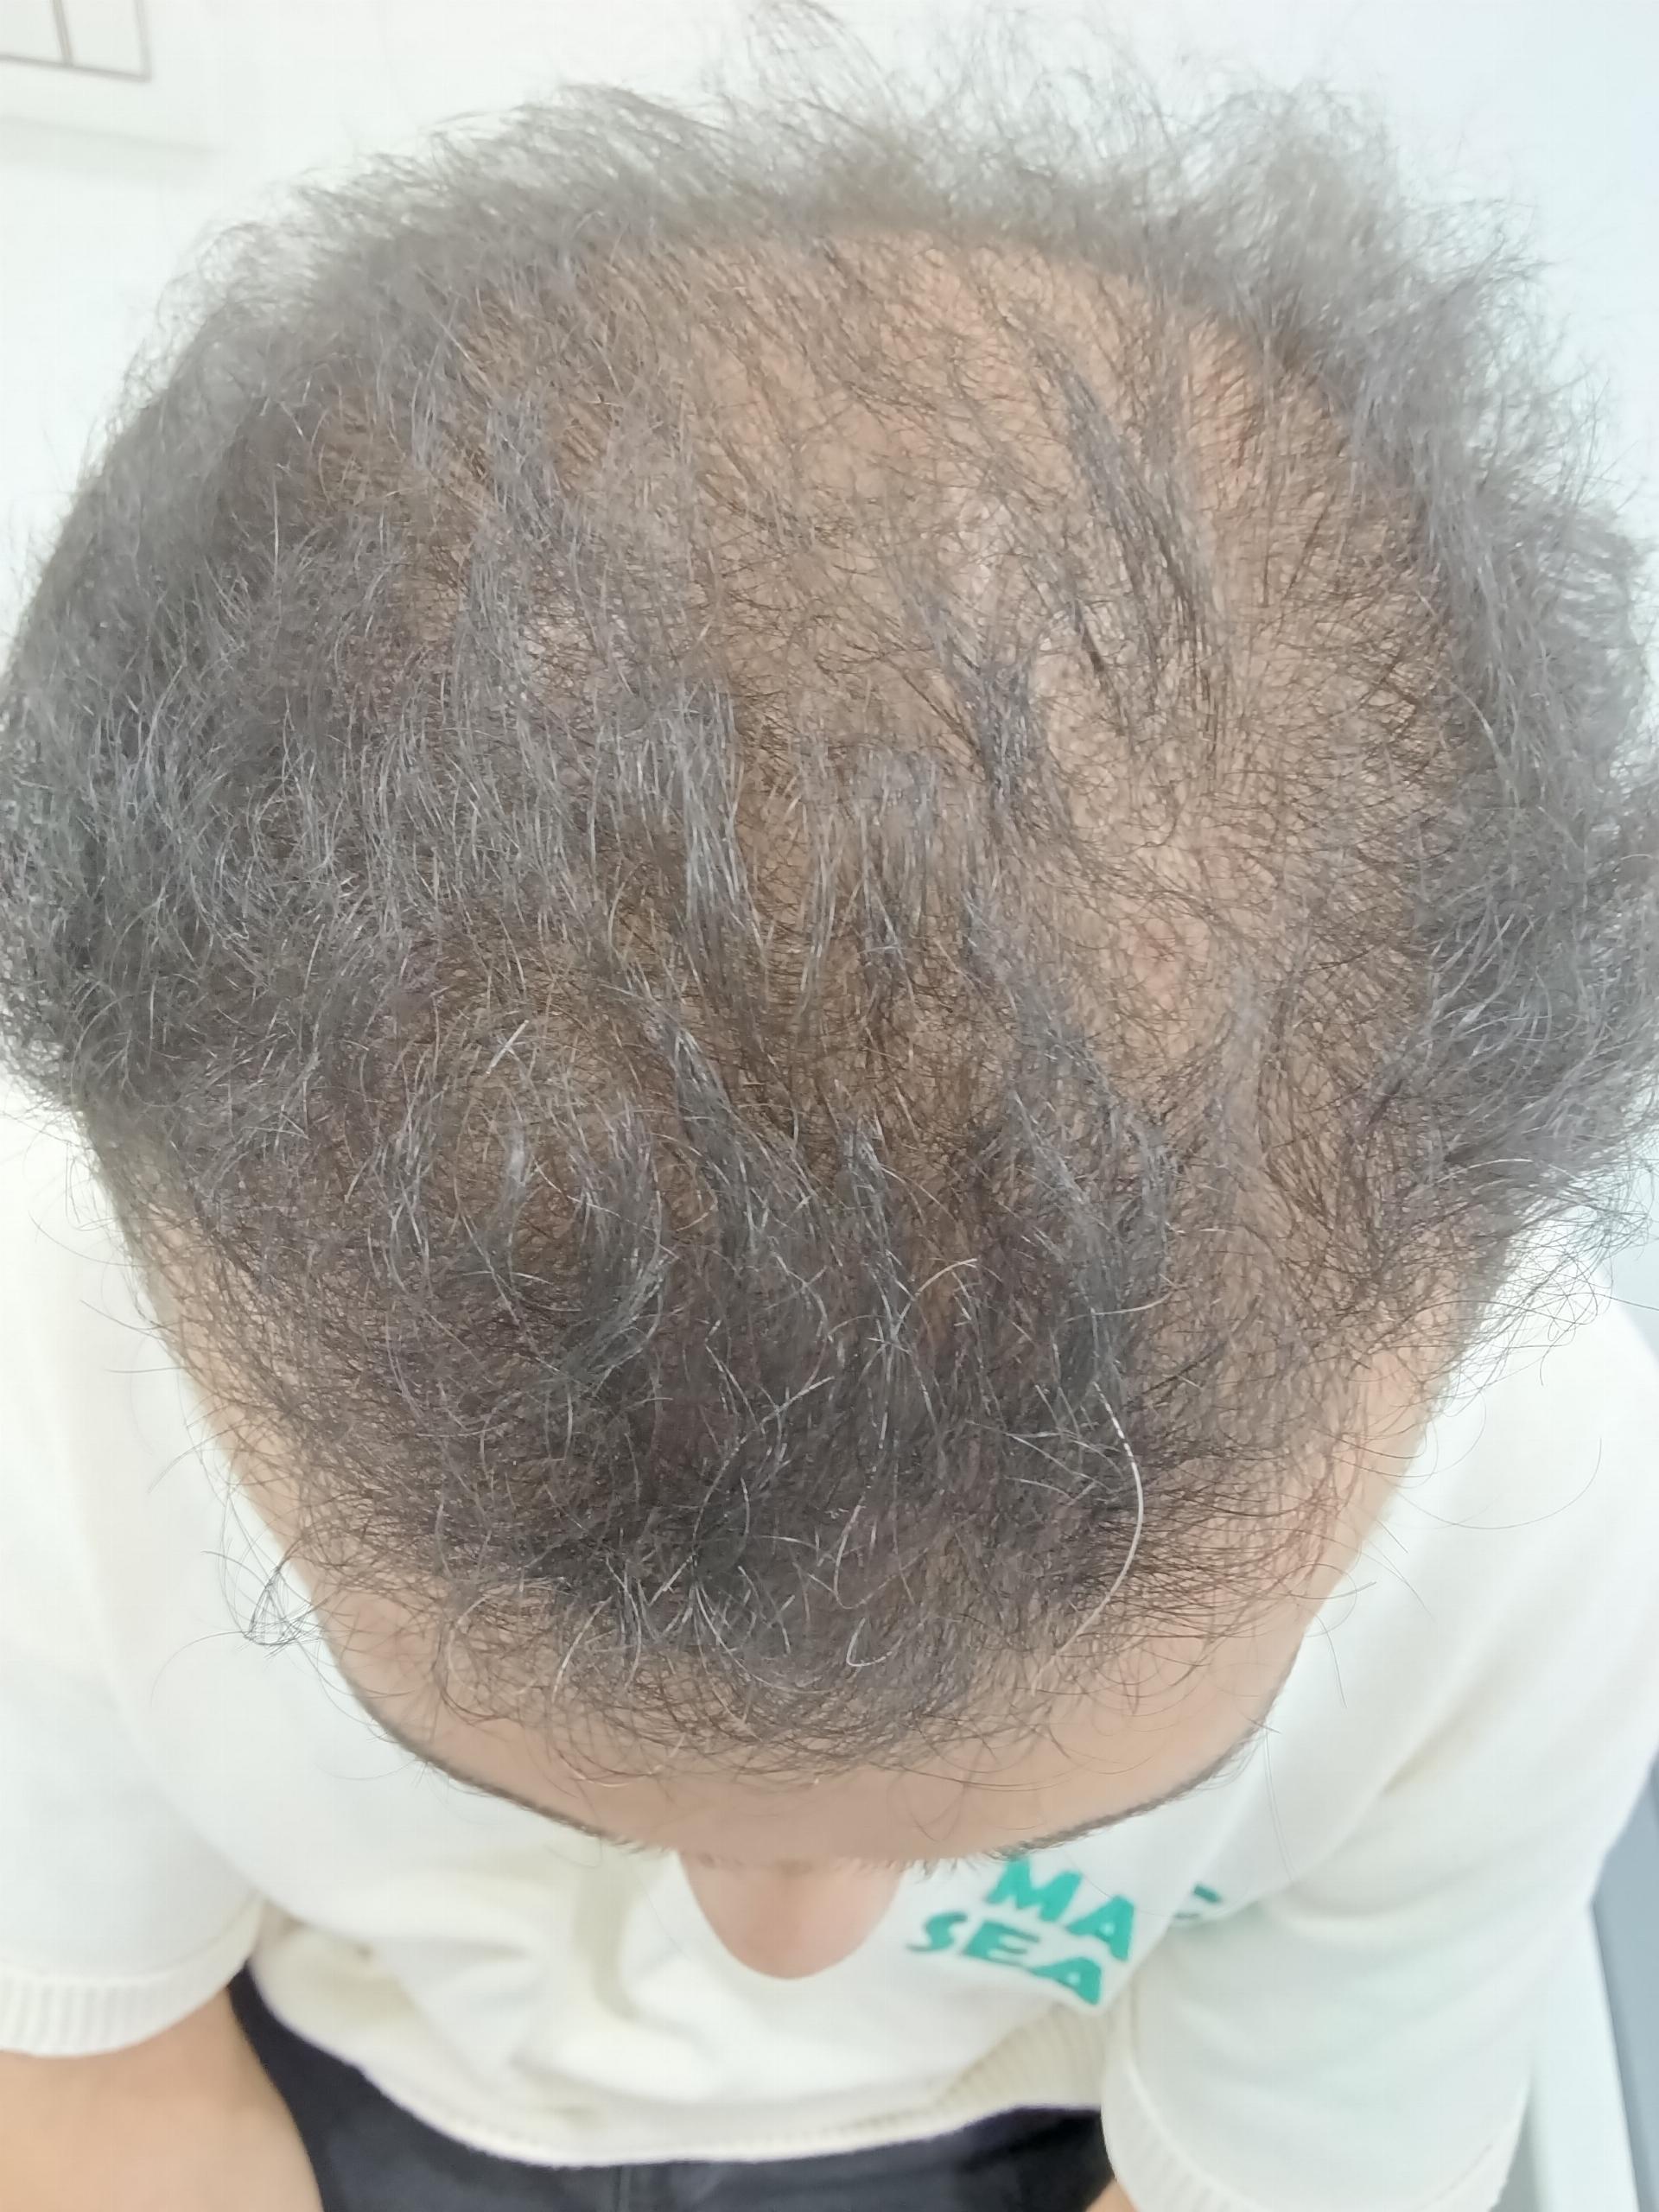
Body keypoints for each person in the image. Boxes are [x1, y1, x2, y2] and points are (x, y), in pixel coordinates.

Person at [3, 12, 1659, 2210]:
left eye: (1051, 1809)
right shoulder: (66, 1306)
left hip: (1024, 2119)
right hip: (336, 2070)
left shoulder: (1538, 1514)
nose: (785, 1943)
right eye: (518, 1775)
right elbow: (87, 2062)